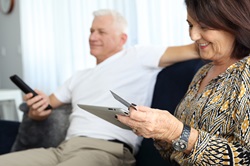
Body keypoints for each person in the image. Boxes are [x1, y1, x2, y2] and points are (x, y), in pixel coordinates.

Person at [0, 9, 198, 166]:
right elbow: (42, 110)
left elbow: (195, 48)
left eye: (101, 32)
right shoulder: (78, 77)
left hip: (105, 151)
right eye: (91, 31)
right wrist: (36, 108)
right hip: (63, 150)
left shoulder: (138, 56)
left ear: (122, 39)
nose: (93, 37)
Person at [117, 0, 250, 165]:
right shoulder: (203, 72)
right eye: (190, 26)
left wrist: (176, 132)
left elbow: (245, 160)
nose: (193, 36)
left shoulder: (246, 73)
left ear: (234, 24)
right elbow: (175, 153)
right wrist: (156, 130)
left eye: (204, 27)